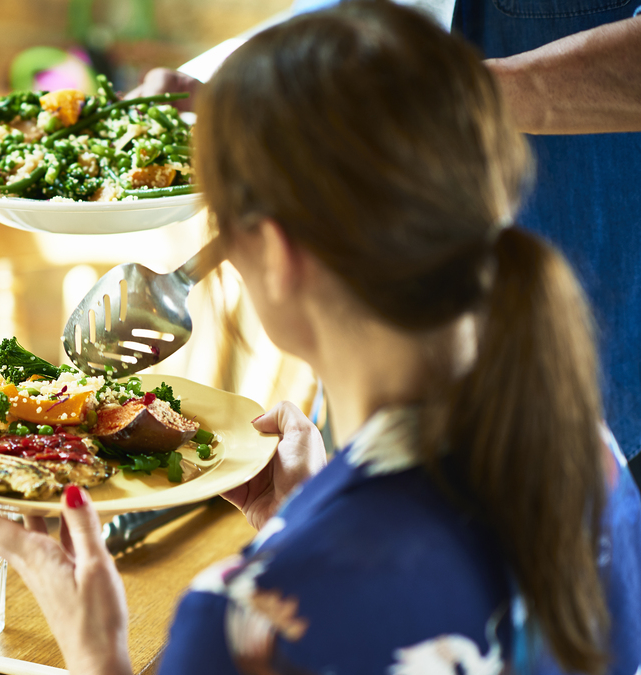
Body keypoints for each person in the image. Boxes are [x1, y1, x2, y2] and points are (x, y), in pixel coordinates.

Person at [0, 2, 641, 675]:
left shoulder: (249, 626)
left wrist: (101, 672)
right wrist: (311, 522)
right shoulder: (595, 464)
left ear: (272, 251)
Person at [133, 1, 641, 487]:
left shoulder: (271, 572)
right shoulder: (602, 485)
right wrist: (237, 85)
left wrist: (422, 101)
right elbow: (344, 20)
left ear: (274, 252)